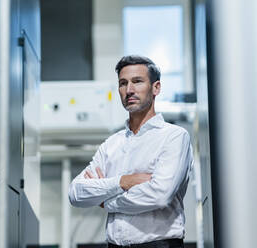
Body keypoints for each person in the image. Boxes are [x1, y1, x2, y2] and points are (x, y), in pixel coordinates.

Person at [68, 55, 193, 248]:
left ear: (156, 88)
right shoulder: (111, 145)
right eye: (123, 83)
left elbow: (159, 195)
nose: (129, 90)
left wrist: (107, 201)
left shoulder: (174, 137)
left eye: (137, 81)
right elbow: (76, 193)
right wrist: (123, 182)